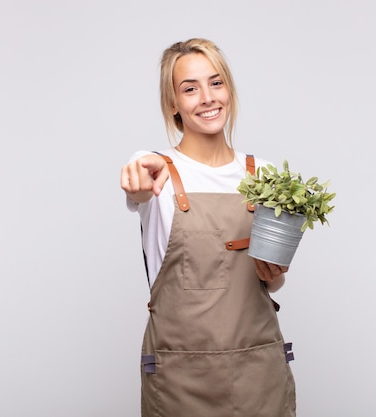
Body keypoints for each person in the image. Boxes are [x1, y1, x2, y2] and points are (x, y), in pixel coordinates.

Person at [120, 38, 296, 417]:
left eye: (216, 83)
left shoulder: (264, 176)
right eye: (190, 88)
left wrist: (274, 274)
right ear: (173, 104)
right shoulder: (158, 174)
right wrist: (139, 167)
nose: (207, 97)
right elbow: (139, 174)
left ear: (228, 89)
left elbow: (272, 282)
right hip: (180, 379)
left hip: (257, 372)